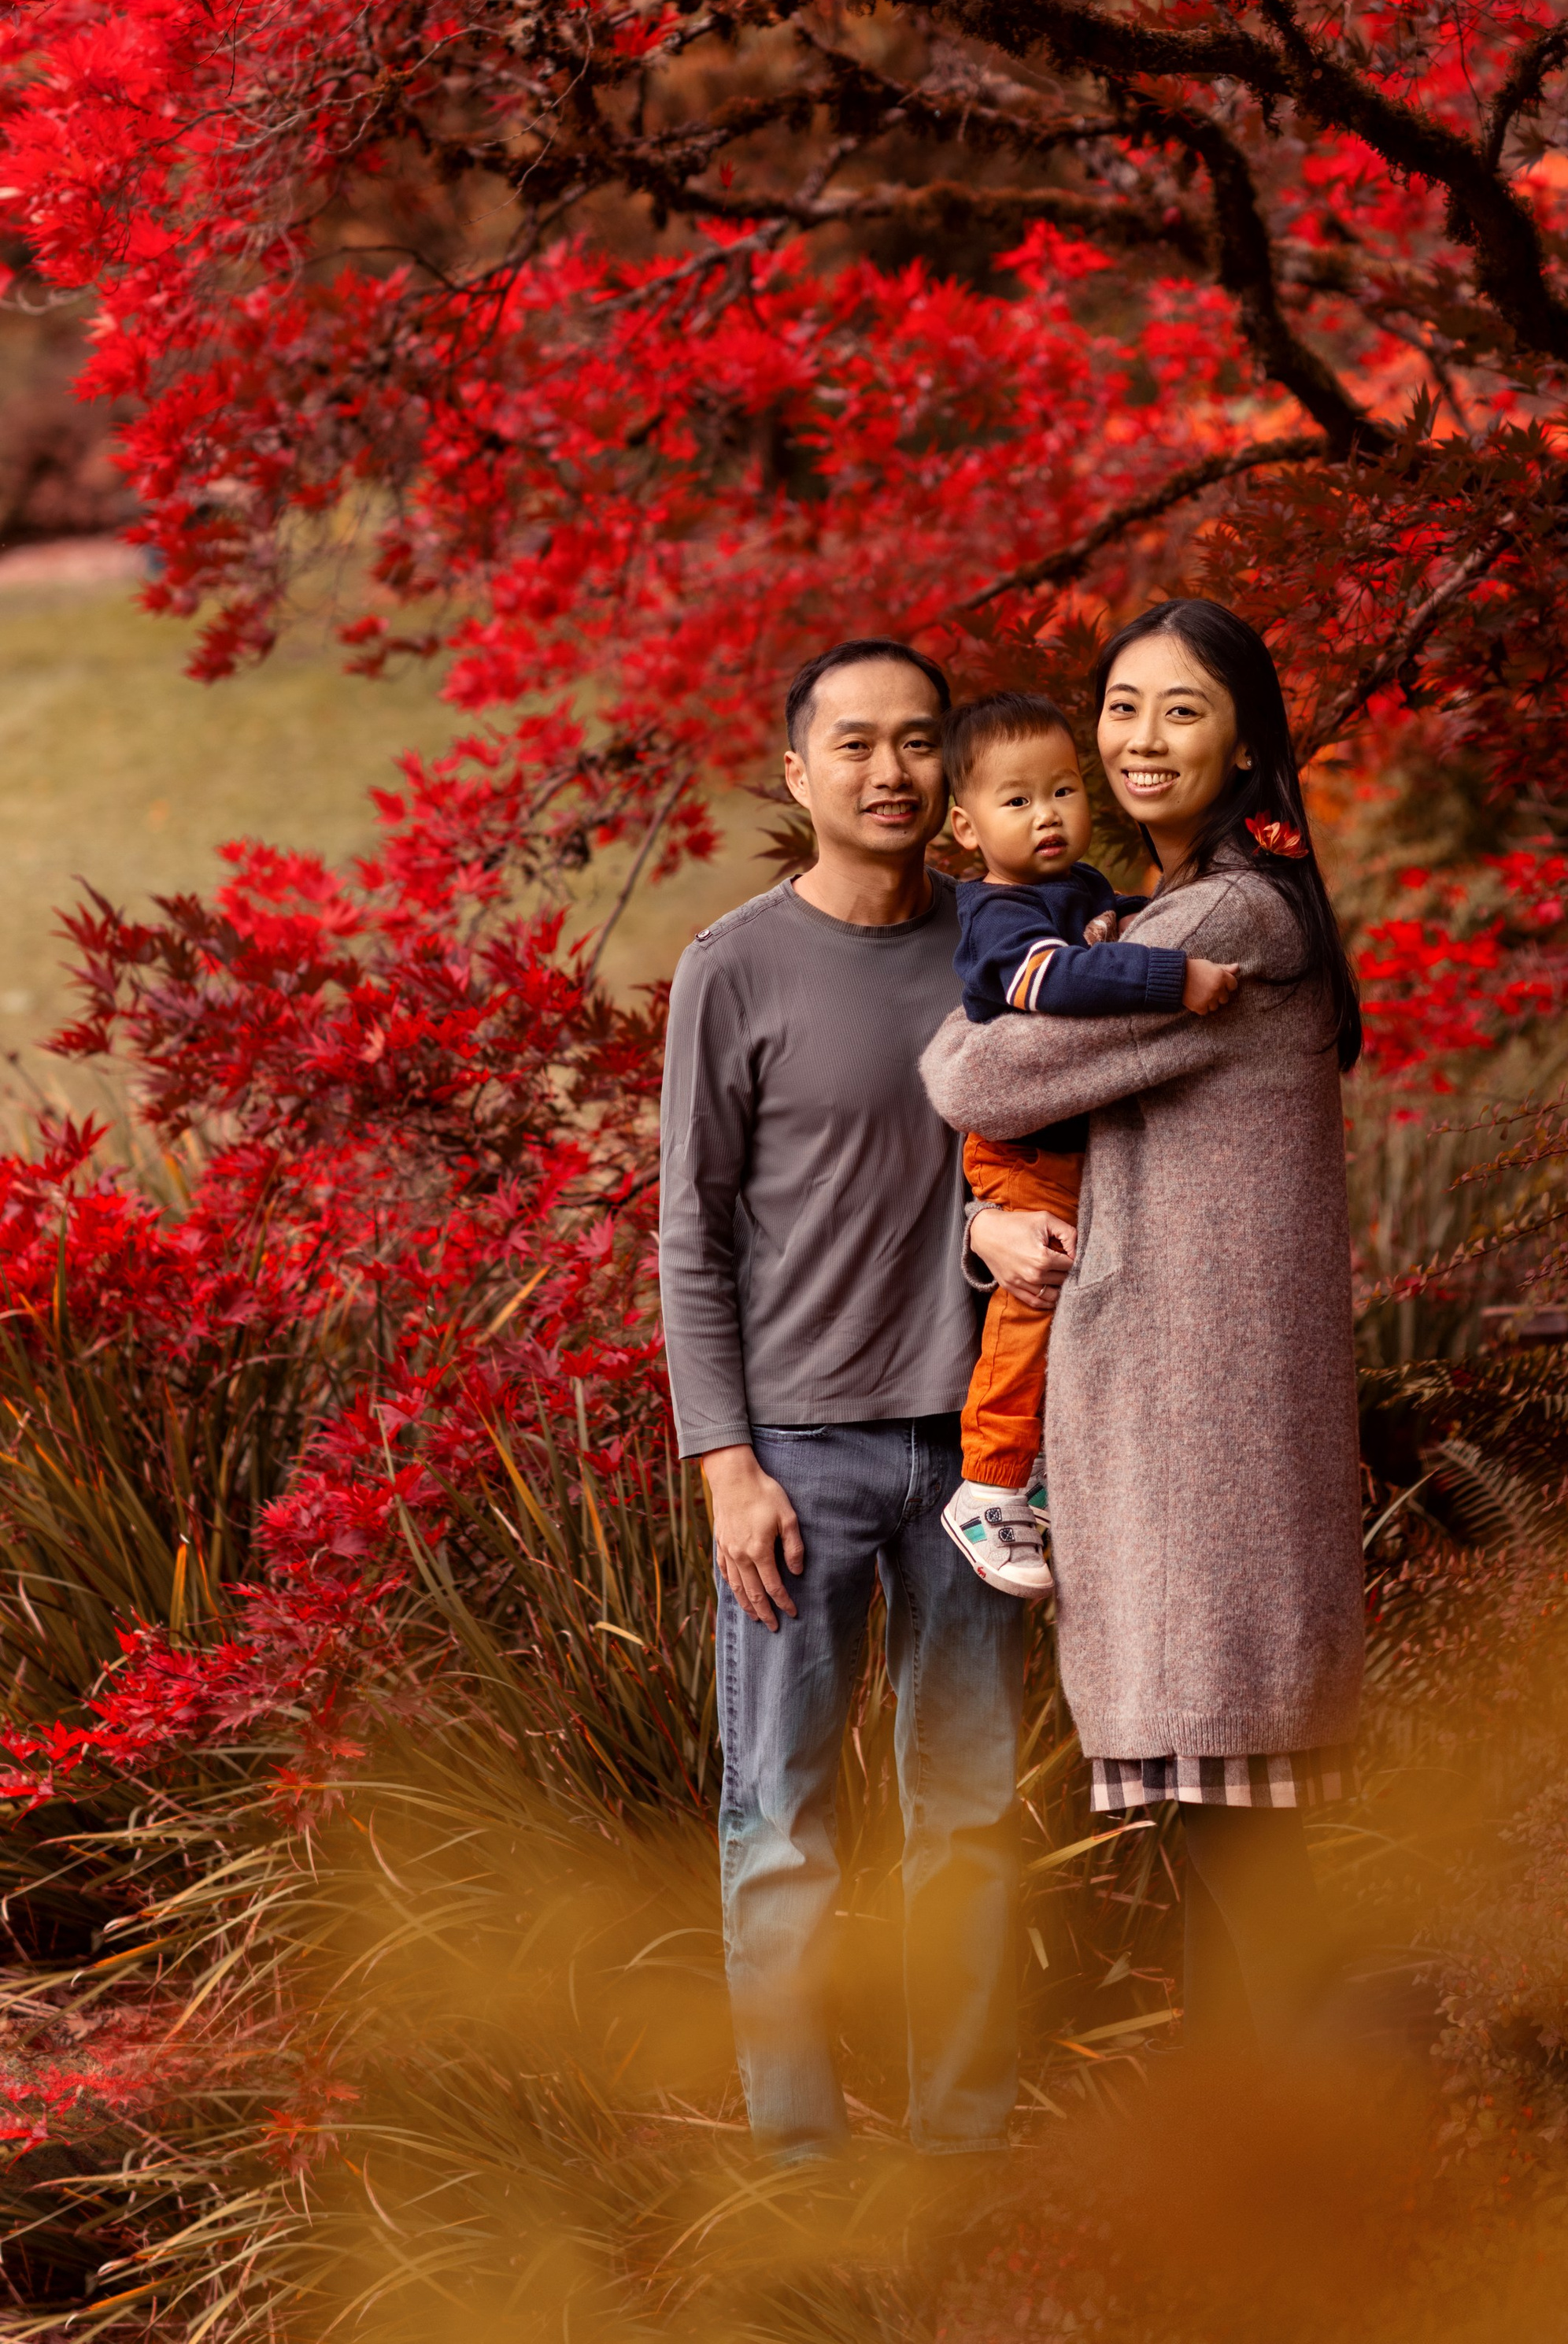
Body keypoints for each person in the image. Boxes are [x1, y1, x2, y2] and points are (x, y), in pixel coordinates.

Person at [922, 600, 1364, 2048]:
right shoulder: (1147, 919)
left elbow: (976, 1079)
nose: (1140, 737)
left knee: (1246, 1844)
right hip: (1183, 1422)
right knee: (1229, 1841)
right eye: (1120, 705)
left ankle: (1309, 2179)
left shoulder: (1226, 923)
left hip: (1206, 1432)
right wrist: (984, 1221)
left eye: (1181, 709)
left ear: (1247, 736)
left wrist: (977, 1021)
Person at [656, 638, 1070, 2162]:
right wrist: (724, 1465)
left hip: (979, 1460)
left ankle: (962, 2157)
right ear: (797, 773)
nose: (888, 771)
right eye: (854, 746)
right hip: (797, 1462)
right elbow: (688, 1235)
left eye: (915, 744)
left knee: (964, 1825)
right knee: (781, 1828)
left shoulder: (1004, 941)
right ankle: (802, 2173)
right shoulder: (733, 968)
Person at [936, 687, 1241, 1601]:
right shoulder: (997, 915)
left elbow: (1111, 923)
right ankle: (987, 1485)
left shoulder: (1076, 890)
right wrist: (1167, 974)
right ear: (964, 826)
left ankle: (1034, 1471)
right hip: (1022, 1148)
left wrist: (1159, 916)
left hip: (1069, 1145)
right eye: (1016, 800)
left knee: (1082, 1304)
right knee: (1031, 1299)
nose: (1047, 816)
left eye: (1063, 792)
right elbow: (1053, 980)